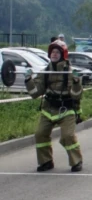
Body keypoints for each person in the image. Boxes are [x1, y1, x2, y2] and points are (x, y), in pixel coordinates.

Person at [25, 40, 83, 172]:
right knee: (40, 134)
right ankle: (46, 162)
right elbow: (35, 93)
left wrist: (76, 82)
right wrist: (28, 80)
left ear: (63, 54)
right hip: (48, 109)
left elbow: (76, 95)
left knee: (68, 136)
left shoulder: (70, 73)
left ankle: (76, 162)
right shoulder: (44, 72)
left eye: (57, 52)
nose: (54, 54)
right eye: (52, 52)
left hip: (66, 110)